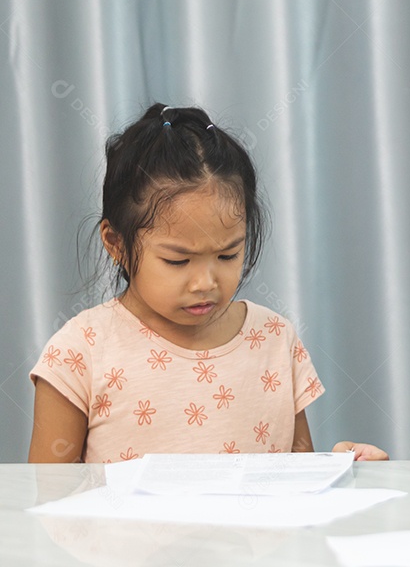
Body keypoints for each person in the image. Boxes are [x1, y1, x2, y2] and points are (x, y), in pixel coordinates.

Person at [29, 104, 387, 463]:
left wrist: (343, 469)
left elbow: (296, 477)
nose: (205, 282)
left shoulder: (274, 339)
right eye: (178, 261)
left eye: (227, 255)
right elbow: (48, 500)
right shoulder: (79, 353)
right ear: (116, 243)